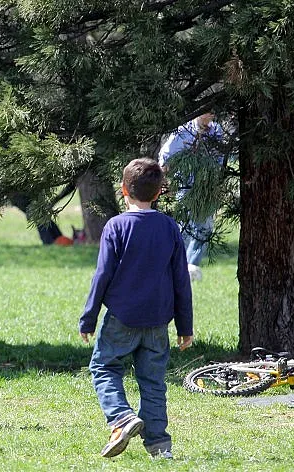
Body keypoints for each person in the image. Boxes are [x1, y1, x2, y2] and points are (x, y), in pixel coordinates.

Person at [79, 158, 193, 459]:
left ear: (123, 190)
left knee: (103, 367)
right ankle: (160, 447)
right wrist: (185, 327)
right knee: (153, 382)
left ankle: (121, 418)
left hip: (122, 317)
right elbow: (181, 279)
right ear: (158, 193)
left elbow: (102, 275)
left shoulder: (116, 226)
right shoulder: (169, 227)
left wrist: (89, 318)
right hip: (158, 320)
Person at [158, 113, 225, 281]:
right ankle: (176, 266)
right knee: (185, 229)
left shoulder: (217, 131)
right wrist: (163, 179)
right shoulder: (184, 131)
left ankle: (190, 269)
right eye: (206, 110)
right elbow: (166, 156)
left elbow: (221, 160)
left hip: (208, 188)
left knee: (204, 229)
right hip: (186, 187)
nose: (209, 114)